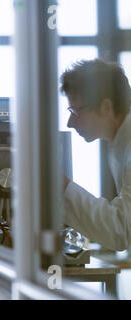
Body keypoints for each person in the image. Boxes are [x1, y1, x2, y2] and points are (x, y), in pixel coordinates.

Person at [62, 59, 131, 251]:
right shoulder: (119, 144)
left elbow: (121, 229)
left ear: (106, 108)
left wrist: (62, 187)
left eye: (75, 111)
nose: (69, 122)